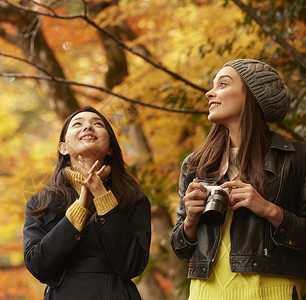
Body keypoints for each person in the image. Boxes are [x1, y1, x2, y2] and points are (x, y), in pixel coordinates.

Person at [171, 59, 306, 299]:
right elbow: (181, 249)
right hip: (207, 291)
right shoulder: (195, 164)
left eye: (223, 84)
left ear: (252, 96)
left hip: (273, 290)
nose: (209, 93)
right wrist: (190, 220)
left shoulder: (297, 159)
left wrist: (267, 209)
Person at [23, 106, 151, 299]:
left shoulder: (133, 198)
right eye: (78, 124)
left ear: (110, 149)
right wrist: (80, 207)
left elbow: (133, 265)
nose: (88, 127)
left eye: (97, 124)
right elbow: (38, 265)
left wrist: (102, 196)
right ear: (63, 147)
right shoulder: (41, 202)